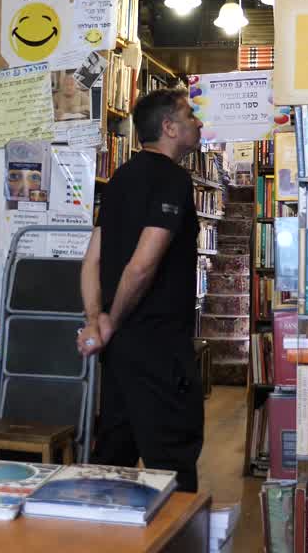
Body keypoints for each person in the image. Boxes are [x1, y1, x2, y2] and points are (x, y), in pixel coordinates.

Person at [76, 87, 205, 492]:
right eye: (190, 115)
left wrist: (95, 321)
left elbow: (91, 261)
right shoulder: (174, 180)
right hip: (160, 349)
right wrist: (110, 320)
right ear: (169, 128)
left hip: (118, 352)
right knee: (173, 466)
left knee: (114, 460)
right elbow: (142, 265)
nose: (199, 123)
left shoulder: (119, 178)